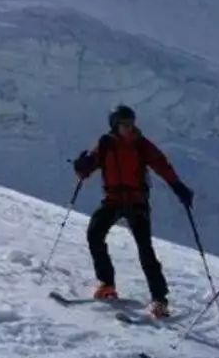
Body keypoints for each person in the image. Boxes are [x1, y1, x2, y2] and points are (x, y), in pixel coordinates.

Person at [73, 104, 194, 318]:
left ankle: (160, 300)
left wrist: (178, 186)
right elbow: (88, 167)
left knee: (145, 248)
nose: (129, 128)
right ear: (114, 125)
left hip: (136, 202)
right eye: (124, 125)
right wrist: (81, 166)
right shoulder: (105, 144)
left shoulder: (141, 145)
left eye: (131, 124)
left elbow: (161, 164)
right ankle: (107, 285)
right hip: (113, 200)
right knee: (94, 234)